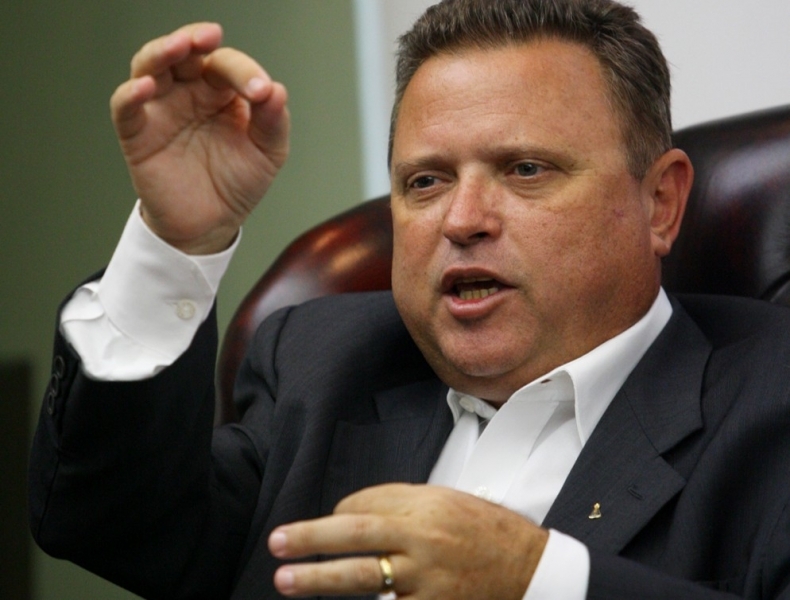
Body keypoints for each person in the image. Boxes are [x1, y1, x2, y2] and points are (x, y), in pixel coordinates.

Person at [28, 0, 790, 598]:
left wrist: (534, 582)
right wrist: (177, 241)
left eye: (525, 170)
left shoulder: (770, 399)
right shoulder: (325, 366)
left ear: (660, 204)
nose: (462, 220)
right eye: (426, 181)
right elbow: (109, 524)